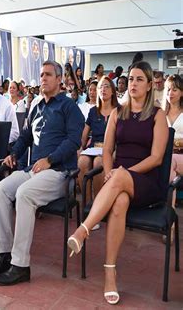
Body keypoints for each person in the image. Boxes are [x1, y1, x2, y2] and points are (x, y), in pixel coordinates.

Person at [67, 61, 168, 305]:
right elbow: (107, 151)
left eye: (139, 79)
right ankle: (109, 272)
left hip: (147, 182)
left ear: (149, 85)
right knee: (120, 201)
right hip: (120, 180)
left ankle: (83, 230)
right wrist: (112, 173)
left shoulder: (158, 115)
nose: (133, 83)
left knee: (121, 180)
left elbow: (156, 158)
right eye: (131, 79)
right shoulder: (116, 113)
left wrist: (122, 174)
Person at [0, 61, 84, 286]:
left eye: (48, 75)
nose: (43, 78)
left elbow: (73, 141)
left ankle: (20, 265)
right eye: (41, 75)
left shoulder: (69, 108)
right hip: (33, 170)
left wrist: (50, 160)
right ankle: (5, 254)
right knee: (0, 190)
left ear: (59, 79)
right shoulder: (37, 106)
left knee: (24, 194)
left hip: (60, 173)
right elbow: (25, 137)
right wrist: (15, 155)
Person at [77, 77, 118, 220]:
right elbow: (84, 134)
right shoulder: (93, 111)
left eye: (106, 86)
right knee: (82, 161)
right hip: (94, 147)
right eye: (100, 87)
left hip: (112, 149)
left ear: (113, 90)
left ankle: (100, 206)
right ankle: (88, 204)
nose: (103, 90)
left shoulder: (119, 110)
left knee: (99, 163)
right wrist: (80, 148)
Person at [162, 74, 183, 243]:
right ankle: (169, 218)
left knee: (171, 164)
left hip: (181, 156)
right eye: (168, 89)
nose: (171, 93)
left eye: (175, 89)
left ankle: (169, 223)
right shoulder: (161, 114)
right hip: (165, 157)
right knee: (168, 164)